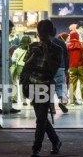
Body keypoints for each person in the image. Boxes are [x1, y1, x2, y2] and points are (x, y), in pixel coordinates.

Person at [22, 20, 62, 157]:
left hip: (45, 86)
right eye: (40, 35)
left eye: (44, 35)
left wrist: (46, 53)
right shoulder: (33, 46)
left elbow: (53, 70)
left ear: (50, 34)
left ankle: (36, 148)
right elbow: (26, 66)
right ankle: (56, 141)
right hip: (33, 84)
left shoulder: (57, 49)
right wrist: (33, 55)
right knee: (42, 118)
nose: (41, 38)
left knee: (40, 119)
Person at [67, 31, 83, 106]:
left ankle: (72, 101)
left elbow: (67, 57)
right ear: (77, 36)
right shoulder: (81, 44)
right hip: (81, 66)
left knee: (72, 84)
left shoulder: (68, 45)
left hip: (72, 66)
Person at [50, 29, 69, 113]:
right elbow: (66, 57)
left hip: (49, 68)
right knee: (60, 86)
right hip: (60, 67)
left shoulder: (45, 42)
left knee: (49, 87)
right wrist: (66, 68)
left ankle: (52, 108)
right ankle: (61, 101)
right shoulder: (61, 43)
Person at [11, 35, 31, 106]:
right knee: (30, 83)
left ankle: (23, 101)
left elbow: (13, 60)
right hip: (29, 68)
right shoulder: (31, 50)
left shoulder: (17, 50)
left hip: (20, 68)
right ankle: (32, 100)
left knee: (21, 84)